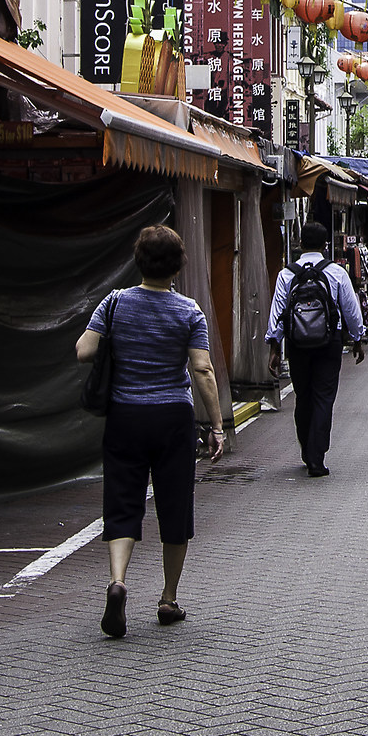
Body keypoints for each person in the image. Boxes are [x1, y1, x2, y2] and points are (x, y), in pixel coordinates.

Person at [76, 224, 223, 637]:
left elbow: (83, 350)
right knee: (175, 506)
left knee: (123, 502)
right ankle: (168, 599)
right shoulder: (189, 311)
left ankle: (118, 581)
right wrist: (216, 426)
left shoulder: (115, 302)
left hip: (125, 415)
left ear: (138, 260)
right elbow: (202, 369)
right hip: (173, 418)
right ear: (178, 265)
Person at [266, 222, 366, 476]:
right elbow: (350, 309)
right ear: (325, 245)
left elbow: (277, 312)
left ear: (300, 243)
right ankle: (316, 455)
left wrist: (275, 347)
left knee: (304, 396)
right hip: (328, 343)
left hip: (297, 345)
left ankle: (306, 448)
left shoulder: (287, 274)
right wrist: (357, 338)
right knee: (324, 396)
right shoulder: (336, 272)